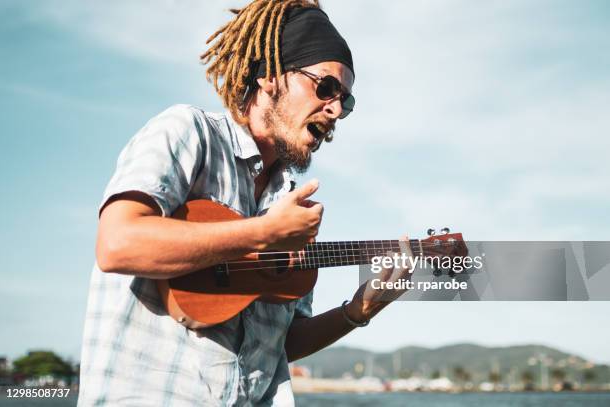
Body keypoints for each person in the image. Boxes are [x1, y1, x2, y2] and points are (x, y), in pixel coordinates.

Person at [78, 1, 410, 405]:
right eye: (326, 87)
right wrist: (264, 232)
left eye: (347, 101)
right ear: (270, 76)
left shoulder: (293, 206)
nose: (337, 109)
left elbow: (278, 345)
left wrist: (358, 311)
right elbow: (117, 244)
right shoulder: (188, 133)